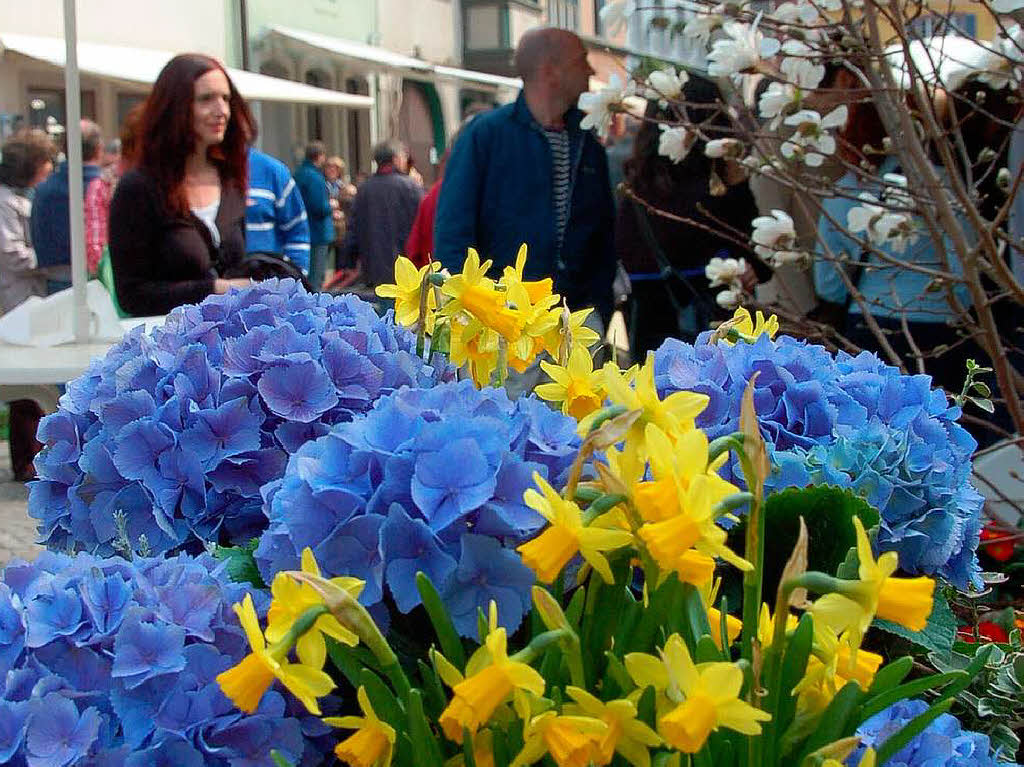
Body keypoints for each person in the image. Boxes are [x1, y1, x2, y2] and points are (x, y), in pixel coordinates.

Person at [433, 27, 617, 323]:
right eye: (581, 61)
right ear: (551, 71)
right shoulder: (487, 135)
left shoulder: (586, 140)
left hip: (577, 318)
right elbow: (453, 230)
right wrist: (472, 313)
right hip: (504, 322)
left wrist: (599, 309)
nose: (590, 70)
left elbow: (604, 234)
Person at [616, 87, 764, 356]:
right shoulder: (717, 191)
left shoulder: (636, 190)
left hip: (650, 337)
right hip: (715, 338)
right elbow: (761, 256)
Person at [108, 53, 254, 317]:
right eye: (206, 99)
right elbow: (132, 296)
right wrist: (216, 289)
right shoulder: (139, 188)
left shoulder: (231, 181)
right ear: (175, 107)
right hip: (168, 348)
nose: (221, 110)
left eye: (225, 98)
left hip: (227, 344)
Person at [0, 128, 57, 480]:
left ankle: (34, 457)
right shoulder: (4, 201)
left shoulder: (24, 195)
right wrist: (46, 258)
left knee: (36, 383)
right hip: (15, 295)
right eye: (46, 161)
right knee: (24, 385)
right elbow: (10, 252)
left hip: (30, 293)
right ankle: (25, 461)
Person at [336, 140, 423, 289]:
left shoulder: (364, 189)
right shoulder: (411, 187)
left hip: (374, 268)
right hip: (408, 268)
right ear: (396, 159)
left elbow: (353, 230)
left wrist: (348, 262)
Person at [29, 119, 104, 279]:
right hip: (100, 276)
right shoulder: (105, 189)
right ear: (99, 149)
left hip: (55, 276)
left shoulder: (43, 189)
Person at [245, 146, 310, 273]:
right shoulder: (194, 175)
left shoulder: (272, 171)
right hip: (204, 289)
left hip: (264, 286)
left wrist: (294, 283)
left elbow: (296, 232)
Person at [293, 141, 334, 290]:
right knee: (316, 277)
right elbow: (319, 207)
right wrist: (331, 207)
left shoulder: (298, 173)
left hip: (302, 231)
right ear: (320, 156)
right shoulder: (314, 177)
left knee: (305, 276)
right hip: (317, 232)